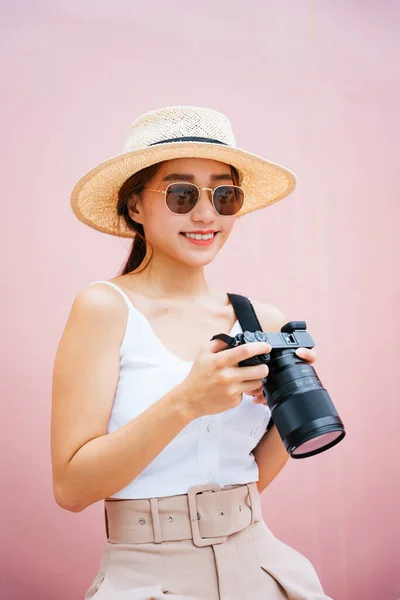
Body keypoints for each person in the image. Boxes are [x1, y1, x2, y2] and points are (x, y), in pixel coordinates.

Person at [51, 106, 332, 599]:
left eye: (224, 195)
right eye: (182, 194)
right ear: (135, 205)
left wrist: (291, 410)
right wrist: (187, 401)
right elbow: (71, 489)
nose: (206, 215)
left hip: (261, 566)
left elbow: (247, 475)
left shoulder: (259, 320)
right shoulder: (105, 308)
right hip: (148, 577)